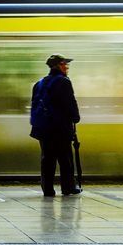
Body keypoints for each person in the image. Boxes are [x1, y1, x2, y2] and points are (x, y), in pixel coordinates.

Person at [29, 53, 81, 197]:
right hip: (60, 128)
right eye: (65, 64)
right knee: (65, 159)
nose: (67, 67)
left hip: (43, 128)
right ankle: (68, 188)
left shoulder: (39, 83)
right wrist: (75, 117)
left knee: (47, 159)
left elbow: (34, 104)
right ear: (59, 66)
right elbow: (70, 103)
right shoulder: (64, 82)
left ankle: (48, 189)